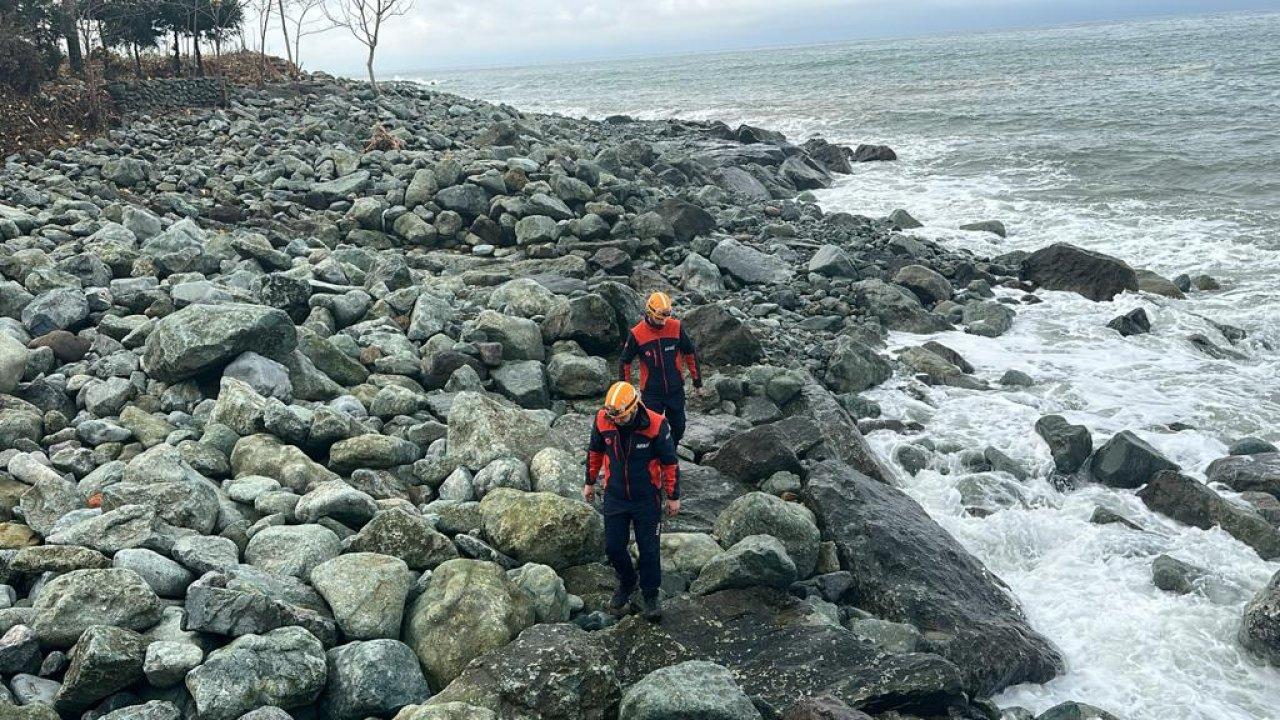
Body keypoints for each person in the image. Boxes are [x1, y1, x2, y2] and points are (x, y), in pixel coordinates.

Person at [583, 381, 680, 620]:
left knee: (649, 549)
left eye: (621, 417)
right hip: (615, 495)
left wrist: (673, 496)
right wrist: (590, 481)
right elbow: (595, 451)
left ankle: (650, 594)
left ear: (635, 407)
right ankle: (627, 581)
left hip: (646, 497)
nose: (616, 421)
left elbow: (670, 462)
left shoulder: (657, 425)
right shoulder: (603, 420)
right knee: (613, 547)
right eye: (613, 417)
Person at [618, 291, 701, 446]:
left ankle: (670, 450)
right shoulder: (636, 333)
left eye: (666, 317)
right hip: (651, 392)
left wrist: (697, 382)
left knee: (679, 427)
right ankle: (655, 459)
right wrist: (626, 391)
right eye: (659, 317)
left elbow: (690, 353)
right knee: (650, 429)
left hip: (675, 389)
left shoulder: (676, 327)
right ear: (649, 312)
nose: (663, 322)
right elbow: (624, 362)